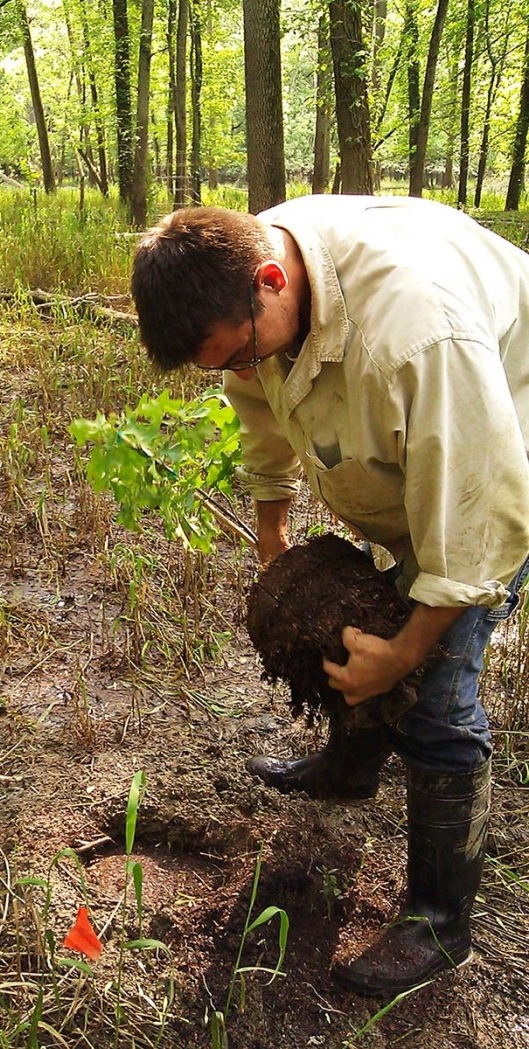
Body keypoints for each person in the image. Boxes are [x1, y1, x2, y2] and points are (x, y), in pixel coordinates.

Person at [130, 195, 529, 996]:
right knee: (349, 621)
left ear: (272, 282)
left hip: (502, 445)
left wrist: (408, 650)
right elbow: (259, 405)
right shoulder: (252, 271)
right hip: (437, 441)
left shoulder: (421, 334)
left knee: (436, 695)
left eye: (235, 354)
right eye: (220, 364)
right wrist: (275, 536)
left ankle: (442, 925)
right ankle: (348, 771)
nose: (237, 373)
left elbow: (477, 520)